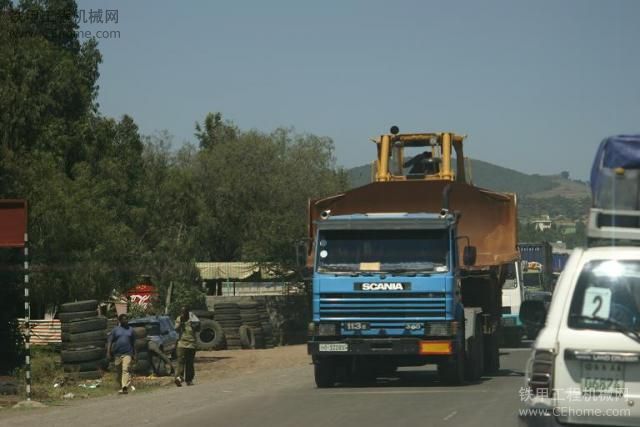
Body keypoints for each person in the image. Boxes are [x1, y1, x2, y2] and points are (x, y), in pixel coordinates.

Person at [107, 314, 136, 394]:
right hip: (117, 354)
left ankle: (124, 388)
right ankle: (122, 385)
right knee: (119, 371)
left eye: (127, 319)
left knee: (125, 369)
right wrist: (108, 352)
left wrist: (135, 353)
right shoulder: (115, 330)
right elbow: (110, 341)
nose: (126, 321)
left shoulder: (131, 330)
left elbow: (134, 343)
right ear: (120, 321)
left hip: (128, 353)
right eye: (124, 319)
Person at [174, 306, 200, 387]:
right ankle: (179, 378)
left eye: (184, 312)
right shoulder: (179, 318)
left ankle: (189, 380)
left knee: (189, 362)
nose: (182, 314)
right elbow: (176, 329)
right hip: (181, 343)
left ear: (187, 312)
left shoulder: (193, 318)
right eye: (181, 312)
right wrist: (181, 323)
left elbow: (198, 328)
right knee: (180, 361)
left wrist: (194, 324)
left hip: (191, 344)